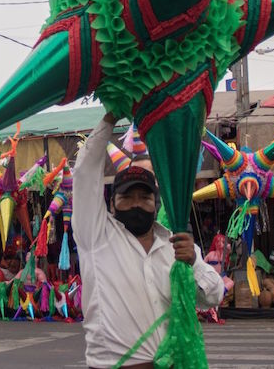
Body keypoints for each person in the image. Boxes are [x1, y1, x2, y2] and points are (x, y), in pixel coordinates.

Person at [72, 114, 224, 369]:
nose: (136, 204)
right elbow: (85, 174)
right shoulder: (96, 237)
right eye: (127, 197)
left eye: (144, 197)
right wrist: (109, 118)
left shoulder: (174, 245)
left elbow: (214, 296)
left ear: (155, 204)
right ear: (112, 203)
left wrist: (194, 262)